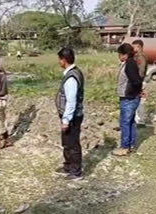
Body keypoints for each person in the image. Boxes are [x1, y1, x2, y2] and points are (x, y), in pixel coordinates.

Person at [54, 48, 85, 181]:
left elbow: (71, 101)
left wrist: (66, 120)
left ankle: (76, 171)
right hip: (69, 116)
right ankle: (68, 166)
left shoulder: (71, 78)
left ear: (63, 60)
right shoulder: (73, 72)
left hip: (72, 117)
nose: (59, 62)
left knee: (72, 144)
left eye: (60, 59)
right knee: (67, 142)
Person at [113, 43, 143, 156]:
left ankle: (124, 147)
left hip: (129, 98)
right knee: (130, 122)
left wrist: (135, 91)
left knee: (125, 123)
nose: (119, 56)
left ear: (124, 54)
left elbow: (136, 80)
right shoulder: (129, 62)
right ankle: (131, 145)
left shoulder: (129, 64)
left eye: (119, 54)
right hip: (130, 97)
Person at [132, 40, 148, 127]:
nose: (132, 48)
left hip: (140, 82)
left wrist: (137, 83)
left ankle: (141, 121)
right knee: (137, 101)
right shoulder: (137, 56)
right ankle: (137, 119)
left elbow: (141, 72)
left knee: (140, 102)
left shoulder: (141, 58)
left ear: (138, 47)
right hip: (138, 82)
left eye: (133, 47)